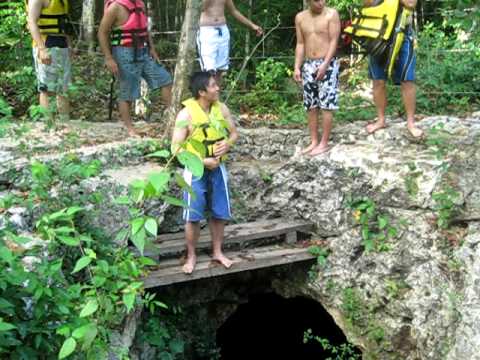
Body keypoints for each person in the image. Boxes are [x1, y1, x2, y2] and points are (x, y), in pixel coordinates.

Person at [171, 71, 239, 274]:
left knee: (220, 211)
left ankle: (217, 252)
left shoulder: (221, 109)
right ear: (202, 92)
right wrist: (201, 161)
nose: (217, 88)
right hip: (195, 170)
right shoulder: (186, 114)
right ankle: (191, 256)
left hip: (218, 167)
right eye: (212, 85)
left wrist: (226, 145)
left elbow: (234, 134)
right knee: (193, 215)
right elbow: (175, 148)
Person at [98, 0, 172, 136]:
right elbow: (102, 32)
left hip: (143, 50)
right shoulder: (115, 7)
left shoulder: (140, 4)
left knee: (165, 79)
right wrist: (109, 58)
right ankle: (130, 128)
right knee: (127, 91)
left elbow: (145, 29)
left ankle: (172, 118)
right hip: (123, 52)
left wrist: (152, 49)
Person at [365, 0, 423, 138]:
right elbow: (367, 4)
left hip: (403, 34)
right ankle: (381, 120)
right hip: (378, 34)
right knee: (378, 81)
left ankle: (410, 123)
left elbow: (411, 3)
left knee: (407, 80)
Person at [294, 0, 341, 156]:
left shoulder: (331, 14)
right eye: (316, 0)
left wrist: (326, 64)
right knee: (311, 104)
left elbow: (334, 40)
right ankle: (314, 140)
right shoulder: (300, 17)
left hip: (327, 63)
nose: (321, 2)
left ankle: (324, 142)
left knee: (327, 103)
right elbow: (300, 43)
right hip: (309, 63)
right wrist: (297, 67)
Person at [27, 0, 72, 119]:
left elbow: (64, 24)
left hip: (62, 44)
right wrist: (42, 49)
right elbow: (31, 22)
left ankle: (64, 122)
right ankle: (49, 123)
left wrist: (70, 46)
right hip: (46, 43)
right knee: (46, 88)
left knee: (63, 87)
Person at [198, 0, 263, 80]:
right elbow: (201, 8)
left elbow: (234, 11)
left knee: (220, 70)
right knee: (208, 70)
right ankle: (207, 91)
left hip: (223, 31)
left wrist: (252, 25)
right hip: (207, 32)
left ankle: (217, 92)